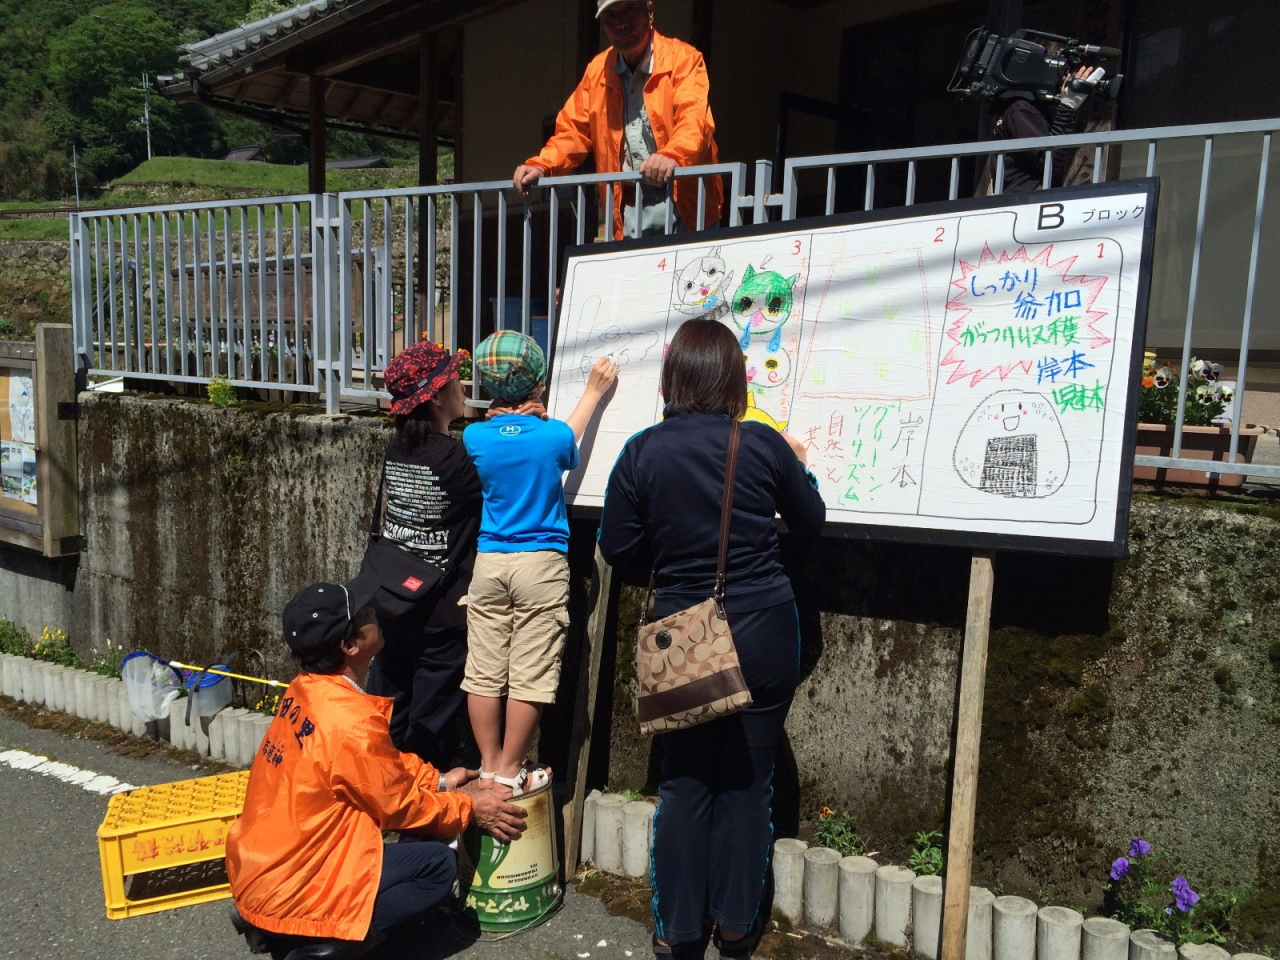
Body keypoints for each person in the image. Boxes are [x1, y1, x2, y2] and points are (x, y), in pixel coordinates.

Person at [596, 319, 825, 960]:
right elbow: (812, 523)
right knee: (750, 785)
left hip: (683, 639)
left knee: (684, 784)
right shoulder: (762, 445)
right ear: (735, 379)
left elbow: (616, 547)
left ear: (672, 379)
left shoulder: (641, 451)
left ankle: (677, 932)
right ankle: (735, 928)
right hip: (766, 630)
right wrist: (799, 470)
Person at [226, 574, 527, 960]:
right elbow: (401, 807)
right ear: (350, 645)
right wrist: (470, 808)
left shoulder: (305, 690)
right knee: (435, 866)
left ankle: (276, 927)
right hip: (294, 883)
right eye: (367, 613)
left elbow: (377, 766)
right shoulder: (351, 720)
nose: (377, 613)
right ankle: (319, 944)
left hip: (263, 872)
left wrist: (437, 780)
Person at [369, 341, 543, 769]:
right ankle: (423, 824)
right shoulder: (456, 459)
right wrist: (525, 426)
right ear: (436, 396)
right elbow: (509, 472)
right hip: (439, 613)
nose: (464, 386)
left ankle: (378, 798)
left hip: (392, 598)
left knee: (387, 715)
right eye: (454, 379)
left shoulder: (399, 447)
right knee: (430, 729)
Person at [461, 331, 618, 798]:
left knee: (483, 671)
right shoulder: (550, 437)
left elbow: (512, 434)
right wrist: (593, 390)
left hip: (489, 565)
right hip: (541, 565)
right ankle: (511, 770)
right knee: (531, 671)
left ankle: (488, 766)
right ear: (539, 384)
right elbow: (571, 436)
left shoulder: (475, 436)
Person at [512, 0, 722, 239]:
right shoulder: (597, 70)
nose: (621, 23)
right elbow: (573, 131)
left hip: (685, 202)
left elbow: (694, 120)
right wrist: (542, 165)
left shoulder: (683, 59)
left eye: (630, 10)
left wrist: (672, 155)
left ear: (649, 12)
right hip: (628, 208)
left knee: (690, 275)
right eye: (611, 15)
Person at [986, 64, 1108, 193]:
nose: (1066, 80)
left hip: (1023, 199)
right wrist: (1068, 107)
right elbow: (1049, 164)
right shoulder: (1019, 109)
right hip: (1027, 199)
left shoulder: (1016, 109)